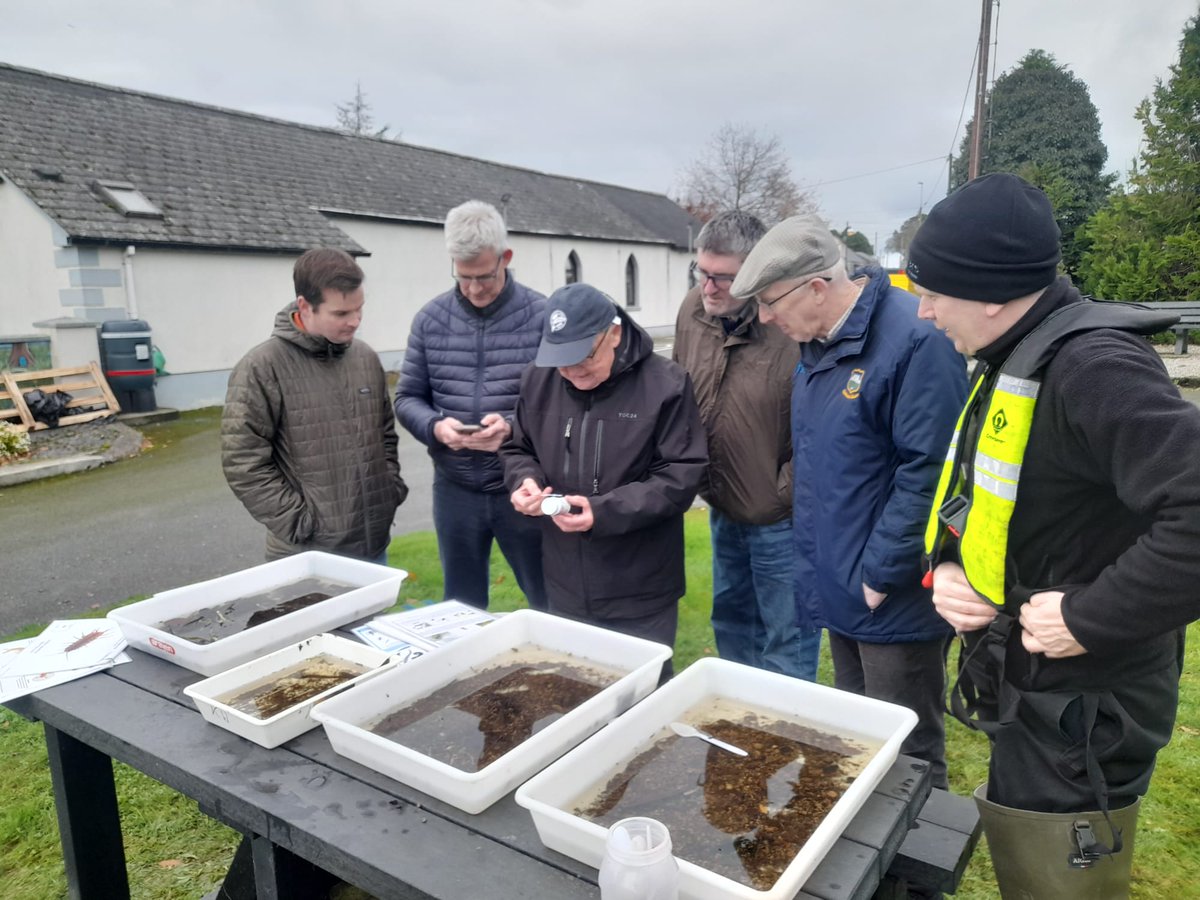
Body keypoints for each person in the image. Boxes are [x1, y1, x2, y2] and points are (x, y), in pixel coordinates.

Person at [910, 172, 1200, 897]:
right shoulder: (1018, 352)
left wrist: (1088, 616)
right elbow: (981, 493)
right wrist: (948, 567)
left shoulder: (1094, 365)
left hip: (1086, 705)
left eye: (934, 291)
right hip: (1032, 684)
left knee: (1058, 879)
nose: (922, 312)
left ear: (991, 293)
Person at [729, 218, 967, 789]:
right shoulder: (818, 344)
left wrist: (881, 572)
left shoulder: (916, 340)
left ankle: (916, 874)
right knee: (856, 738)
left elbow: (931, 470)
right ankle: (867, 867)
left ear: (816, 286)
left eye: (769, 301)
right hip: (842, 583)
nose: (764, 317)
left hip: (891, 592)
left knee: (907, 750)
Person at [501, 283, 707, 655]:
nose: (571, 372)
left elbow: (681, 474)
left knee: (644, 696)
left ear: (613, 334)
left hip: (640, 587)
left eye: (582, 358)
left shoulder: (666, 384)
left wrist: (603, 512)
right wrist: (524, 480)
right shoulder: (539, 379)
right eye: (560, 360)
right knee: (575, 688)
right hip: (564, 582)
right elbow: (518, 447)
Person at [672, 210, 821, 680]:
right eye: (702, 273)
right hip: (721, 506)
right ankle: (741, 724)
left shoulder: (791, 327)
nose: (709, 288)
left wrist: (785, 492)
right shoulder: (692, 310)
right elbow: (677, 391)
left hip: (782, 516)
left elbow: (824, 424)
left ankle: (790, 737)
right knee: (731, 622)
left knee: (787, 638)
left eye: (724, 278)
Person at [395, 200, 547, 610]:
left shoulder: (542, 316)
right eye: (464, 278)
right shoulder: (430, 320)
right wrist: (436, 428)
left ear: (506, 257)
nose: (475, 288)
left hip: (523, 487)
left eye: (485, 276)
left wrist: (512, 428)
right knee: (459, 609)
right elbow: (407, 397)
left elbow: (562, 403)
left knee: (549, 600)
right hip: (455, 489)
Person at [222, 248, 408, 563]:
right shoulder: (261, 367)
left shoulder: (365, 358)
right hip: (306, 557)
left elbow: (385, 436)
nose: (355, 322)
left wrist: (389, 491)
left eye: (359, 309)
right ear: (305, 306)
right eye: (341, 314)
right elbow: (243, 464)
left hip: (374, 547)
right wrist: (301, 523)